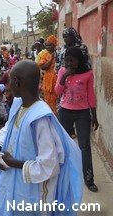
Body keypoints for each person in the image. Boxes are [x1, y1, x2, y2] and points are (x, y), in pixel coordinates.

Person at [0, 60, 83, 215]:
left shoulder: (40, 119)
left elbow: (49, 165)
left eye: (10, 80)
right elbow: (9, 132)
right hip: (10, 181)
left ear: (16, 81)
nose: (8, 84)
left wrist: (15, 163)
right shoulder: (19, 104)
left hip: (29, 192)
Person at [55, 47, 99, 192]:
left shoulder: (87, 73)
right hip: (65, 112)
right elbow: (57, 91)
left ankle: (88, 178)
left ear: (79, 60)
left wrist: (94, 115)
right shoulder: (62, 71)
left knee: (84, 146)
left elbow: (91, 95)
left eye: (72, 60)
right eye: (66, 60)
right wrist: (64, 76)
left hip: (82, 113)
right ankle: (63, 175)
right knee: (63, 145)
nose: (69, 63)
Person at [38, 35, 58, 115]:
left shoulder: (58, 53)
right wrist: (50, 60)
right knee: (48, 101)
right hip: (47, 81)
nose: (48, 47)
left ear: (54, 45)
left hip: (57, 80)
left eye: (50, 45)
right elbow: (43, 67)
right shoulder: (45, 55)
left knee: (56, 102)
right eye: (47, 45)